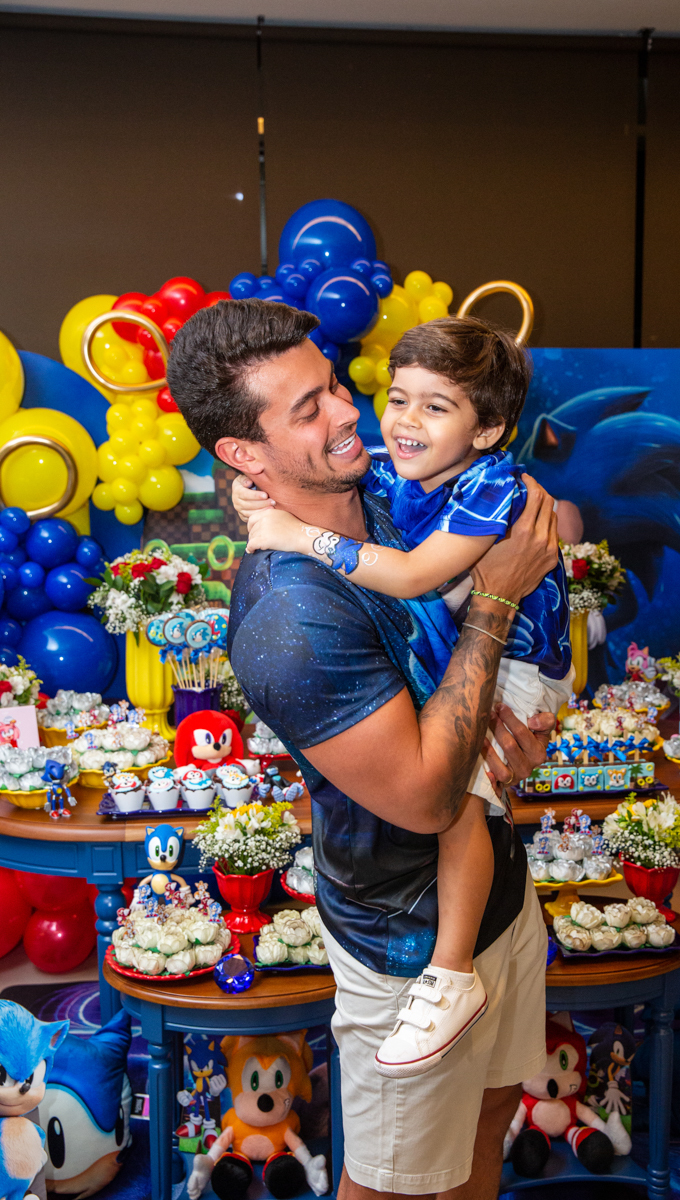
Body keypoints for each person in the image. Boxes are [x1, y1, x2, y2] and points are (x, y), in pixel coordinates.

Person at [166, 299, 558, 1200]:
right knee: (391, 1184)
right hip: (408, 947)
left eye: (337, 385)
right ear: (243, 453)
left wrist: (519, 736)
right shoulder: (289, 619)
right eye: (309, 409)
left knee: (491, 1118)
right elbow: (426, 799)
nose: (350, 412)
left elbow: (495, 493)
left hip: (502, 894)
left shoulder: (379, 488)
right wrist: (497, 602)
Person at [232, 315, 574, 1079]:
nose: (399, 421)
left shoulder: (489, 488)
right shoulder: (401, 478)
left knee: (465, 801)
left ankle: (451, 974)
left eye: (435, 406)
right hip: (391, 922)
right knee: (457, 795)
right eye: (398, 398)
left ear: (487, 431)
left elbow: (415, 575)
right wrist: (255, 490)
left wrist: (295, 533)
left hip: (524, 662)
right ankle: (452, 968)